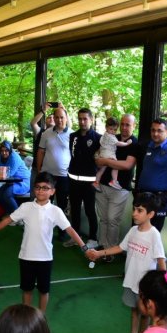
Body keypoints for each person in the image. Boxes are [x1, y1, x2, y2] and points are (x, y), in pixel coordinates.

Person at [0, 172, 87, 312]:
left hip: (45, 258)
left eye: (45, 188)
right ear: (33, 189)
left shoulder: (56, 211)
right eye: (38, 187)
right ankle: (27, 317)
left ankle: (41, 318)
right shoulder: (26, 207)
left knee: (44, 291)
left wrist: (85, 248)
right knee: (27, 290)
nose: (41, 190)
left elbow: (70, 230)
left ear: (52, 191)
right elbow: (7, 220)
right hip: (26, 257)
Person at [86, 192, 166, 333]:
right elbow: (120, 248)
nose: (134, 213)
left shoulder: (154, 235)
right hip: (131, 281)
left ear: (150, 214)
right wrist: (99, 253)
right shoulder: (133, 230)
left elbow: (160, 260)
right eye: (134, 209)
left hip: (145, 286)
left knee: (145, 315)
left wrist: (162, 283)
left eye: (140, 210)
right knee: (134, 310)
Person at [94, 114, 139, 260]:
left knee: (112, 219)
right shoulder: (112, 136)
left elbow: (127, 165)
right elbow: (97, 160)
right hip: (102, 185)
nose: (124, 127)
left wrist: (105, 161)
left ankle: (111, 250)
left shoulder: (135, 143)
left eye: (128, 125)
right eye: (123, 124)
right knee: (103, 218)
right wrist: (105, 161)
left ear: (134, 126)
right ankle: (102, 246)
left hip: (121, 189)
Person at [135, 118, 167, 232]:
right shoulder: (149, 146)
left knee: (152, 233)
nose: (155, 133)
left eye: (159, 131)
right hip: (143, 196)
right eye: (153, 130)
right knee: (137, 231)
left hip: (160, 199)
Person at [64, 108, 101, 248]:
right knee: (74, 210)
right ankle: (75, 237)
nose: (82, 121)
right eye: (80, 119)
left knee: (90, 210)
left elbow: (100, 160)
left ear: (91, 120)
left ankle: (93, 239)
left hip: (89, 182)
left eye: (85, 119)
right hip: (73, 180)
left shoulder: (98, 138)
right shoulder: (73, 136)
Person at [35, 107, 71, 241]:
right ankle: (42, 230)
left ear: (66, 118)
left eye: (62, 117)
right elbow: (40, 152)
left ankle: (62, 233)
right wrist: (39, 170)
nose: (59, 120)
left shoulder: (72, 135)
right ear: (54, 118)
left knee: (61, 206)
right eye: (57, 117)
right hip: (47, 175)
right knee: (43, 204)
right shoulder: (46, 133)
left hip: (64, 177)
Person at [92, 118, 132, 192]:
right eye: (111, 129)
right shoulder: (111, 137)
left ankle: (96, 182)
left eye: (115, 130)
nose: (113, 131)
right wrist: (127, 143)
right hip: (109, 154)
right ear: (106, 127)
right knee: (115, 166)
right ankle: (114, 180)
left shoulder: (104, 135)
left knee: (101, 170)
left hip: (103, 154)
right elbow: (119, 143)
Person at [0, 141, 30, 215]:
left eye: (6, 150)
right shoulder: (2, 158)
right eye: (2, 151)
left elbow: (9, 173)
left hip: (23, 182)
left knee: (7, 194)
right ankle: (9, 214)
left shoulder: (14, 157)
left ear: (10, 150)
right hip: (11, 182)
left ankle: (18, 217)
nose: (4, 153)